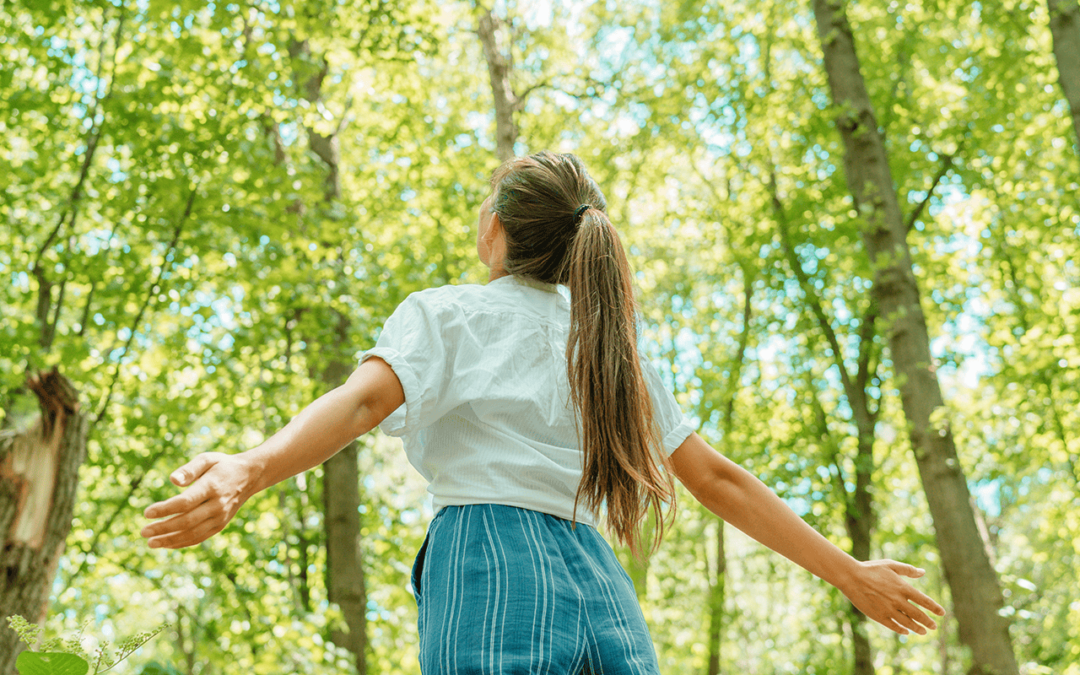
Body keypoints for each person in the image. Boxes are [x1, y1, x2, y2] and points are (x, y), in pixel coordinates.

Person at [141, 151, 945, 673]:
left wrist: (249, 465)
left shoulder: (450, 313)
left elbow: (358, 405)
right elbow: (718, 478)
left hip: (488, 555)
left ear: (494, 231)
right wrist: (849, 572)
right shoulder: (613, 350)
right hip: (597, 576)